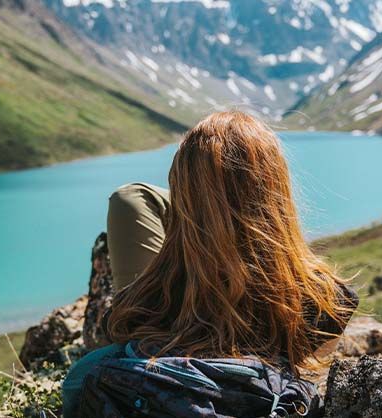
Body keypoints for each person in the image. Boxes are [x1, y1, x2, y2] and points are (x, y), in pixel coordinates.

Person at [62, 110, 358, 416]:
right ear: (277, 187)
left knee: (80, 376)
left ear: (181, 193)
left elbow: (123, 329)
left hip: (155, 382)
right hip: (262, 395)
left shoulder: (160, 287)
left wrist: (204, 204)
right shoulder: (330, 301)